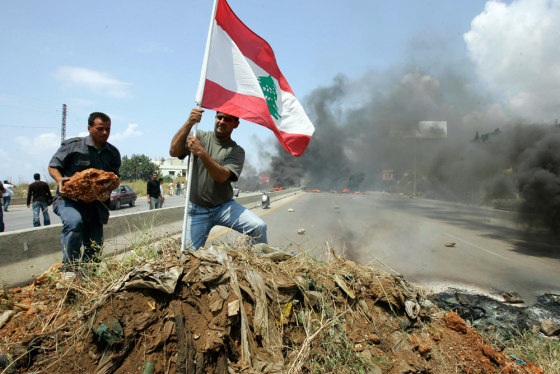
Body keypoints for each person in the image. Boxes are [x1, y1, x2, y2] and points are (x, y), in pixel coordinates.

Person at [169, 108, 267, 251]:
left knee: (258, 227)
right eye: (219, 117)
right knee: (187, 255)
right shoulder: (198, 136)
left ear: (236, 124)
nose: (222, 121)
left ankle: (257, 261)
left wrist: (201, 152)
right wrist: (189, 123)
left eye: (227, 119)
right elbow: (173, 151)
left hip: (224, 207)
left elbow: (221, 176)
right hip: (196, 209)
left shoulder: (236, 151)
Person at [49, 112, 121, 275]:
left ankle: (87, 279)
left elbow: (114, 178)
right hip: (69, 200)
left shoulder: (113, 153)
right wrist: (60, 180)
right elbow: (53, 166)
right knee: (74, 224)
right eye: (100, 129)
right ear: (90, 128)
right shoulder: (73, 146)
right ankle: (69, 270)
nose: (105, 133)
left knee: (94, 245)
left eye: (108, 129)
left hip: (95, 204)